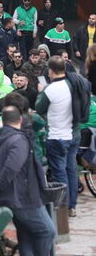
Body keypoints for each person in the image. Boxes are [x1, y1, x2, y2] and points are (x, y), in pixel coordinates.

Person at [0, 106, 59, 256]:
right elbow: (12, 168)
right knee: (46, 231)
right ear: (20, 120)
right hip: (24, 197)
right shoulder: (18, 140)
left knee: (26, 236)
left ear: (3, 120)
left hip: (9, 198)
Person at [36, 56, 82, 216]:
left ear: (51, 71)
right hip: (74, 133)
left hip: (57, 135)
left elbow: (39, 107)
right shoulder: (73, 84)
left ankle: (62, 207)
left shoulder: (51, 89)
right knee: (71, 169)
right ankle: (72, 205)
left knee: (59, 171)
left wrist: (42, 91)